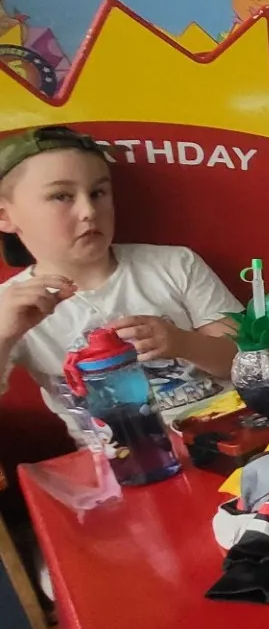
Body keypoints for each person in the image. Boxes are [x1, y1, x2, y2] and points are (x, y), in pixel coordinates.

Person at [0, 125, 240, 442]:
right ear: (5, 216)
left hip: (224, 432)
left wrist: (182, 343)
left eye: (98, 193)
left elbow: (243, 359)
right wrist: (4, 333)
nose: (88, 211)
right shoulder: (10, 305)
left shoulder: (175, 265)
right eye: (61, 196)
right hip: (121, 465)